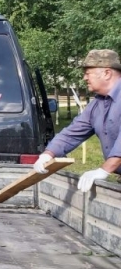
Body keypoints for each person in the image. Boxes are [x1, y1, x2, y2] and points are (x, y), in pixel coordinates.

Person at [33, 49, 121, 192]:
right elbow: (73, 132)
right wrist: (48, 154)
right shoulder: (97, 105)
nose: (84, 78)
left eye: (88, 73)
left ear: (107, 73)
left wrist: (104, 170)